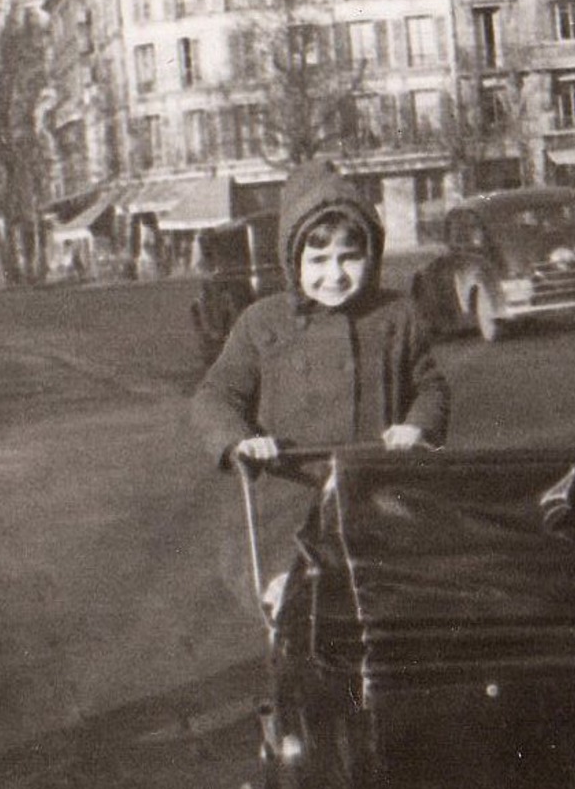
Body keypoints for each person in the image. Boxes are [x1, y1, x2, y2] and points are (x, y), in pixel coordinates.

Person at [191, 158, 450, 615]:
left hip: (377, 496)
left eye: (350, 257)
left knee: (387, 610)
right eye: (318, 259)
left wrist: (417, 427)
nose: (335, 275)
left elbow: (429, 386)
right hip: (289, 504)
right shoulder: (262, 323)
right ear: (293, 259)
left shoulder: (396, 316)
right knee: (297, 615)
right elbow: (217, 395)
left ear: (372, 255)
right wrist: (241, 441)